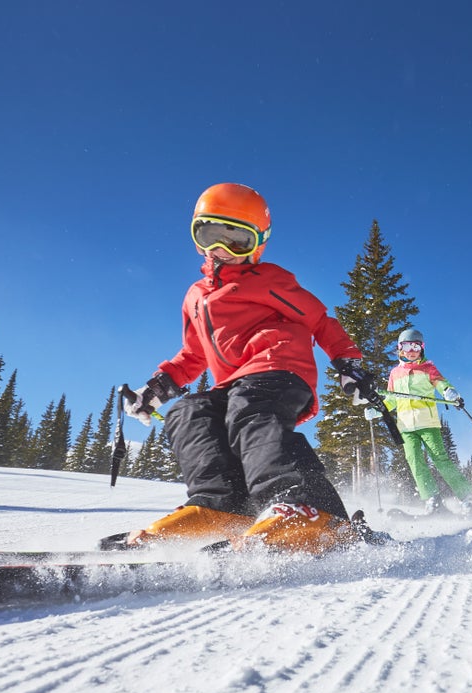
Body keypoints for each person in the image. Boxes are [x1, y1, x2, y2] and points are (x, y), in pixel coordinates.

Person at [121, 182, 380, 553]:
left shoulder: (269, 280)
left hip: (278, 367)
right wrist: (157, 388)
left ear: (258, 243)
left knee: (250, 407)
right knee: (189, 413)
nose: (220, 250)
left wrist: (346, 363)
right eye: (209, 235)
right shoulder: (196, 297)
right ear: (196, 236)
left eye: (236, 241)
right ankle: (223, 506)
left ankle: (295, 504)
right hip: (234, 383)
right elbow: (193, 355)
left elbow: (319, 320)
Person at [367, 328, 472, 516]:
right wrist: (376, 411)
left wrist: (448, 392)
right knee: (415, 462)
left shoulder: (428, 367)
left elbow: (440, 383)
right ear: (400, 349)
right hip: (406, 427)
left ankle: (467, 497)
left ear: (422, 348)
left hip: (427, 423)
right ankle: (432, 499)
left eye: (416, 346)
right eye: (407, 346)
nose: (411, 350)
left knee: (440, 459)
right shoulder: (395, 374)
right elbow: (391, 400)